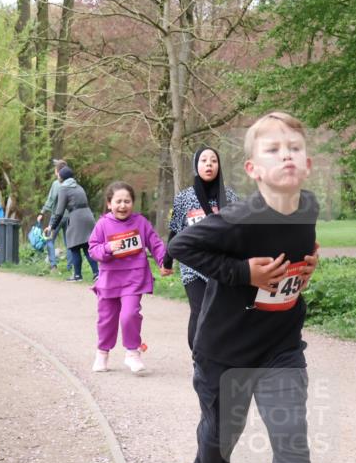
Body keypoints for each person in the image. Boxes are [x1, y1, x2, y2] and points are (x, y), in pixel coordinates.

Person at [168, 112, 323, 463]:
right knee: (222, 435)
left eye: (294, 148)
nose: (286, 156)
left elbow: (299, 245)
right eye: (273, 150)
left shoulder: (309, 206)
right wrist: (245, 275)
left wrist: (309, 260)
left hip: (280, 347)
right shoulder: (237, 220)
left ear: (309, 162)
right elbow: (180, 244)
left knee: (291, 439)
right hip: (224, 352)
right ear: (253, 170)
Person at [88, 181, 172, 374]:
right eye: (118, 201)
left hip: (134, 279)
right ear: (109, 204)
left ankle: (132, 353)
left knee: (130, 315)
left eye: (127, 201)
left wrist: (163, 262)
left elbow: (155, 243)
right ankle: (102, 353)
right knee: (106, 319)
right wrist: (108, 248)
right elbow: (93, 250)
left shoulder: (140, 222)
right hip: (109, 281)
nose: (123, 205)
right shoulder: (102, 224)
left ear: (132, 203)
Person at [166, 146, 240, 349]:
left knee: (221, 312)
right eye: (204, 161)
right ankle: (198, 355)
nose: (209, 164)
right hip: (193, 265)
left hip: (222, 265)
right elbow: (175, 231)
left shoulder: (231, 198)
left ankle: (218, 353)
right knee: (199, 311)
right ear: (195, 166)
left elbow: (241, 232)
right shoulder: (184, 198)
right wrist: (167, 261)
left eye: (213, 161)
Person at [46, 166, 98, 282]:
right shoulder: (78, 186)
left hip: (76, 217)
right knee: (86, 246)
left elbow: (59, 212)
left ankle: (77, 275)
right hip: (88, 216)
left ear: (62, 177)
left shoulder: (63, 189)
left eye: (59, 174)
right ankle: (96, 273)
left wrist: (52, 226)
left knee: (74, 246)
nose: (57, 176)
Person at [39, 159, 68, 271]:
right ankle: (71, 266)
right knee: (68, 242)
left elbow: (50, 200)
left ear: (58, 172)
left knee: (50, 239)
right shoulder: (72, 184)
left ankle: (53, 265)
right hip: (69, 217)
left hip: (57, 216)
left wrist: (42, 212)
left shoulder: (56, 184)